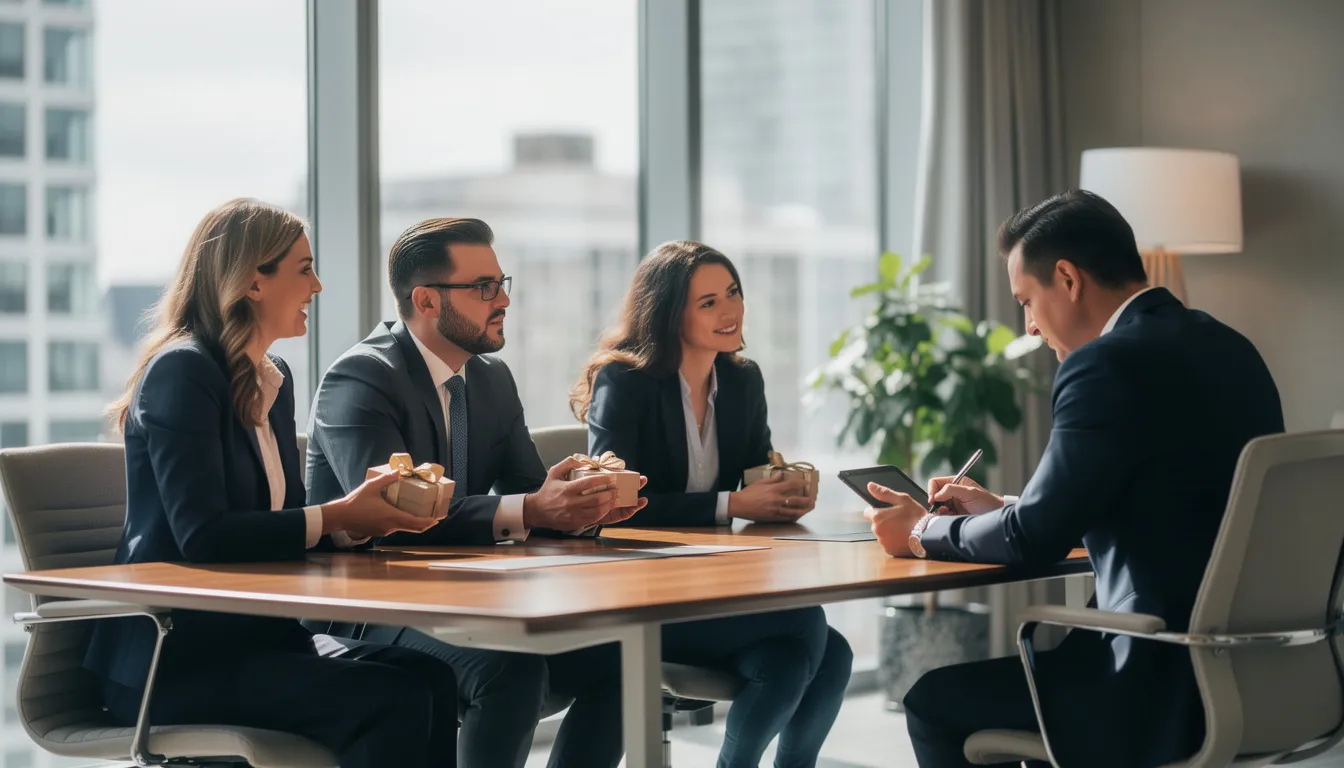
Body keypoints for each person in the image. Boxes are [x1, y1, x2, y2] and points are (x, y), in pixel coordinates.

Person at [863, 190, 1285, 768]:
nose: (1031, 328)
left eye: (1026, 302)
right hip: (1256, 675)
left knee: (933, 701)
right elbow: (1172, 502)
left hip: (1151, 681)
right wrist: (1006, 508)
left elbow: (1031, 540)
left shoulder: (1105, 364)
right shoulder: (1232, 348)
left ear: (1067, 278)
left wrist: (920, 532)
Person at [87, 198, 460, 768]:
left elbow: (282, 521)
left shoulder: (272, 379)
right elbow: (204, 536)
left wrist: (361, 521)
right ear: (253, 282)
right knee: (393, 699)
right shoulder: (182, 370)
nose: (317, 285)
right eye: (304, 269)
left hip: (257, 643)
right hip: (175, 662)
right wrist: (338, 514)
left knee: (433, 678)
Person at [306, 217, 647, 768]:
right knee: (509, 672)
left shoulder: (491, 379)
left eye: (501, 283)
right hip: (367, 611)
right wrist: (534, 507)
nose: (504, 299)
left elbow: (527, 495)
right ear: (427, 300)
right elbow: (394, 513)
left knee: (626, 658)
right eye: (484, 287)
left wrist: (584, 504)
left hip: (462, 599)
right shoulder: (362, 376)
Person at [571, 240, 854, 768]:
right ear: (669, 314)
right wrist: (733, 504)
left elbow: (756, 474)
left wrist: (784, 494)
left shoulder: (743, 380)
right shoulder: (624, 382)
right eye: (708, 303)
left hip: (720, 590)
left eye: (733, 293)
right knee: (807, 625)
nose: (730, 311)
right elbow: (615, 505)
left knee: (826, 656)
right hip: (646, 598)